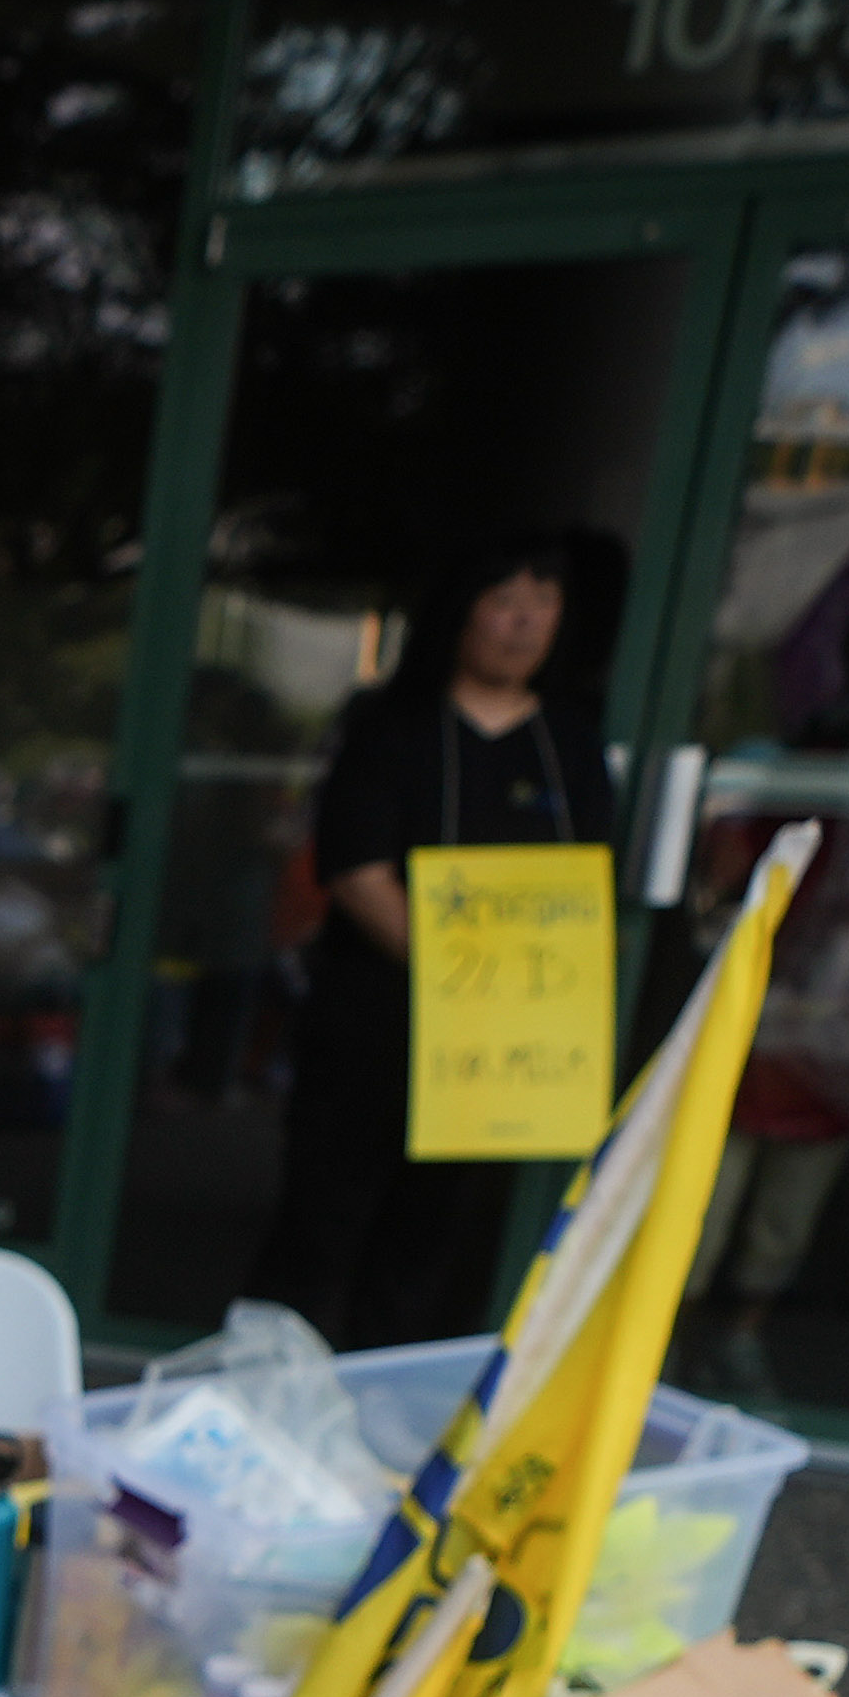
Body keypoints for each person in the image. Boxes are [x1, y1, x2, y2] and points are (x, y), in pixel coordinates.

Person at [251, 534, 622, 1349]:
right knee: (322, 1221)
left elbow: (585, 887)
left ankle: (391, 1401)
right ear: (461, 613)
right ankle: (272, 1390)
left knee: (437, 1241)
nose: (525, 623)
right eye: (505, 601)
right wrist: (461, 976)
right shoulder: (392, 727)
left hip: (496, 1054)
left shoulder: (570, 743)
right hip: (378, 1021)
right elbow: (357, 871)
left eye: (544, 602)